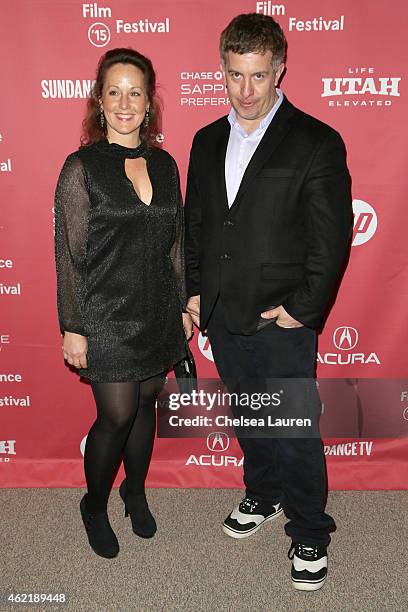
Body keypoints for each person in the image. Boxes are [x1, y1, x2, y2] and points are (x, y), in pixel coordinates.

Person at [185, 14, 352, 590]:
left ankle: (309, 529)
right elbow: (198, 222)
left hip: (284, 316)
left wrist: (302, 310)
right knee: (251, 417)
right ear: (223, 72)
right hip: (224, 313)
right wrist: (194, 292)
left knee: (294, 429)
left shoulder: (316, 140)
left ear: (280, 68)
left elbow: (331, 240)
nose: (247, 91)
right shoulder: (206, 140)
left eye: (259, 76)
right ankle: (262, 493)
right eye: (235, 76)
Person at [54, 48, 192, 559]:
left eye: (135, 91)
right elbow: (67, 257)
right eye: (115, 91)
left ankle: (134, 492)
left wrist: (183, 306)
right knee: (117, 414)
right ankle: (94, 504)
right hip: (105, 315)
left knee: (146, 407)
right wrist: (73, 326)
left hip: (158, 311)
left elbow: (175, 241)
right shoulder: (82, 167)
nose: (125, 102)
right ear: (99, 100)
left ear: (149, 102)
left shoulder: (165, 164)